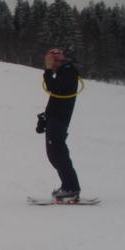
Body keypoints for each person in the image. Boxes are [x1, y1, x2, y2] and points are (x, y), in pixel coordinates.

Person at [36, 48, 80, 200]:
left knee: (58, 154)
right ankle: (68, 186)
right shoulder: (64, 73)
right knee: (55, 154)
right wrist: (45, 118)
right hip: (55, 120)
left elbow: (53, 87)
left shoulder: (69, 72)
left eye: (49, 62)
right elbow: (56, 97)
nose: (48, 66)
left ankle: (71, 188)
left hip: (59, 121)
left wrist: (48, 71)